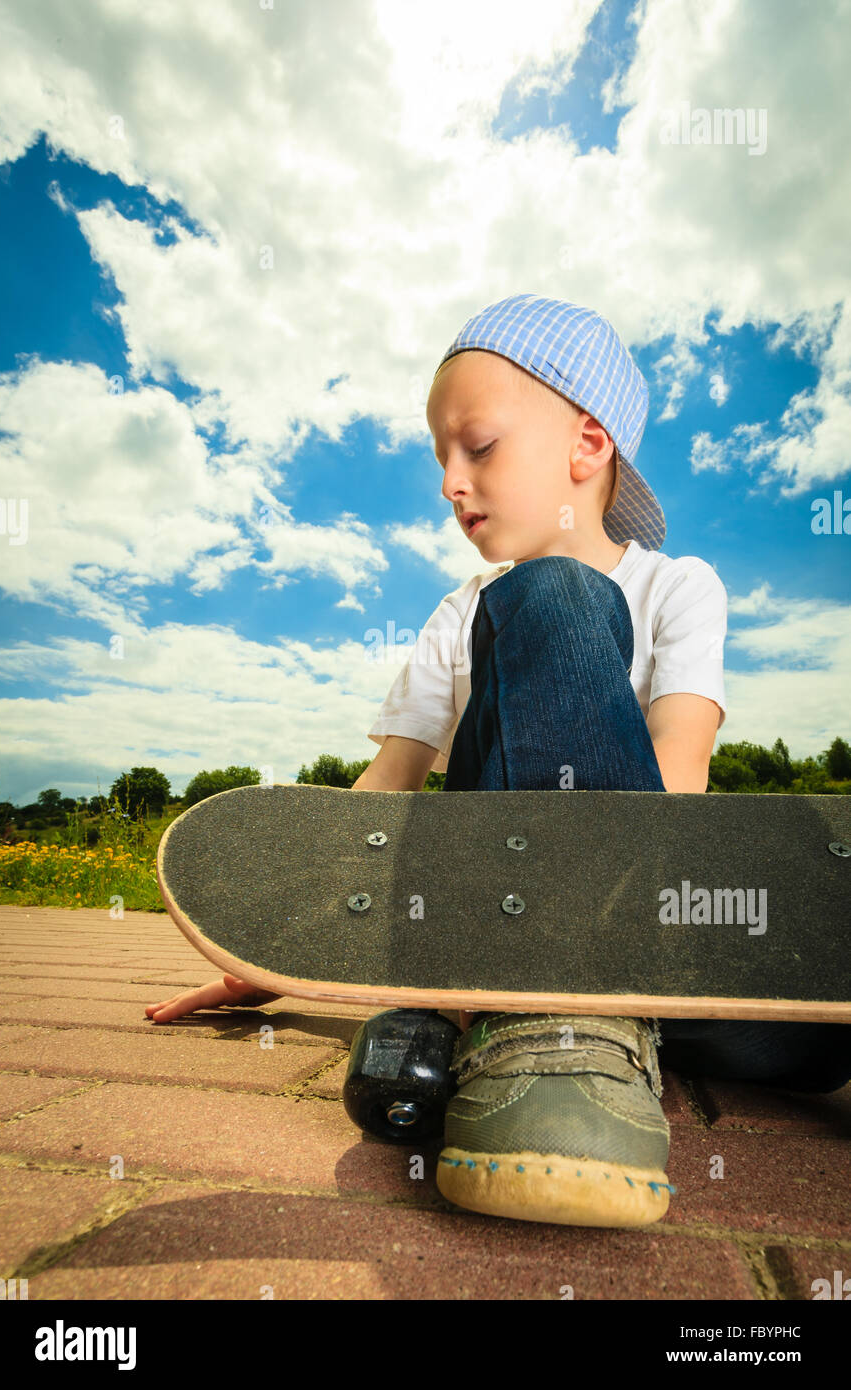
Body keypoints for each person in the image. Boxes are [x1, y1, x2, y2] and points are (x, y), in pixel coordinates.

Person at [146, 293, 851, 1227]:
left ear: (587, 445)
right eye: (439, 457)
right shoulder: (456, 615)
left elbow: (681, 785)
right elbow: (386, 794)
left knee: (815, 1046)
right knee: (540, 595)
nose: (449, 481)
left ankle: (589, 1020)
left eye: (476, 446)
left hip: (646, 930)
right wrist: (284, 943)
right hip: (495, 923)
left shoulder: (681, 589)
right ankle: (540, 1039)